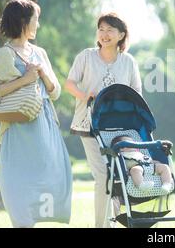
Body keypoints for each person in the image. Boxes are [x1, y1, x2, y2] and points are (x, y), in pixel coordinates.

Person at [0, 0, 72, 228]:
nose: (38, 25)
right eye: (35, 20)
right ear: (23, 22)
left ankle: (41, 216)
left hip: (44, 124)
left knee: (50, 177)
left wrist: (43, 76)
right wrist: (24, 80)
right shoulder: (5, 54)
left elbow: (56, 92)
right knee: (17, 182)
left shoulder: (39, 53)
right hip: (18, 127)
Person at [65, 12, 142, 228]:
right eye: (101, 29)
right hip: (88, 125)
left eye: (110, 30)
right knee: (103, 176)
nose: (104, 34)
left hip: (120, 129)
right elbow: (70, 83)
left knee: (118, 175)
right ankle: (103, 226)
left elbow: (137, 93)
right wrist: (86, 96)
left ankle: (112, 222)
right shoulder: (86, 56)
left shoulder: (128, 62)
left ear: (121, 35)